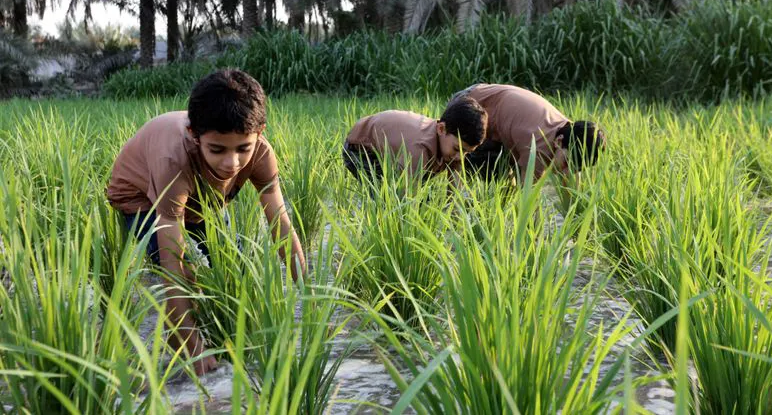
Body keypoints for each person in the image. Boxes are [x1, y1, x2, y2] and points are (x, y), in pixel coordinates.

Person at [107, 68, 306, 376]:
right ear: (194, 135)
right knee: (193, 270)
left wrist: (308, 295)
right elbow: (175, 265)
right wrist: (191, 346)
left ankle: (226, 333)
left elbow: (280, 221)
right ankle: (187, 337)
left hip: (202, 201)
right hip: (142, 198)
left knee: (236, 266)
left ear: (260, 132)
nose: (232, 163)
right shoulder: (173, 160)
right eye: (217, 150)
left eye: (243, 148)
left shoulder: (262, 154)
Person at [449, 83, 605, 185]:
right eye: (566, 162)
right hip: (469, 108)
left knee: (506, 189)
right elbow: (528, 199)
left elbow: (572, 188)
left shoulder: (572, 133)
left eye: (574, 168)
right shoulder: (538, 147)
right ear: (558, 141)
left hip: (497, 118)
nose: (566, 171)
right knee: (490, 184)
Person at [342, 95, 488, 185]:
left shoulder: (453, 146)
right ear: (441, 129)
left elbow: (455, 193)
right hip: (361, 149)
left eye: (467, 152)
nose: (460, 157)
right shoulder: (419, 148)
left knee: (424, 200)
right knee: (387, 198)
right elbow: (405, 199)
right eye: (457, 149)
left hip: (397, 151)